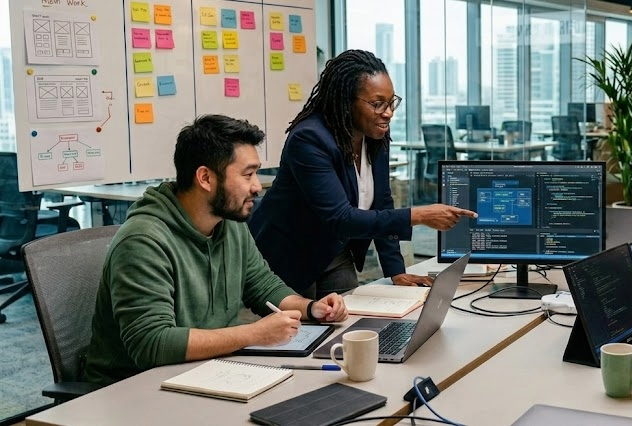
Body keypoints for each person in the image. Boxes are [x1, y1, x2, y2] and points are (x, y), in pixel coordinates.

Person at [82, 115, 348, 386]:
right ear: (206, 178)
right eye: (247, 174)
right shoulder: (143, 240)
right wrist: (253, 334)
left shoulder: (229, 223)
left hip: (205, 371)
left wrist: (311, 308)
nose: (257, 186)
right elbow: (152, 344)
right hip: (132, 389)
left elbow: (263, 286)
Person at [248, 49, 476, 299]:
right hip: (290, 253)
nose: (388, 113)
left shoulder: (376, 138)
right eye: (378, 104)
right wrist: (418, 215)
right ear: (347, 101)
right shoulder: (310, 139)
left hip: (335, 250)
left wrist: (395, 270)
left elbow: (382, 202)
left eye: (391, 103)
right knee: (301, 333)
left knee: (348, 321)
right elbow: (341, 217)